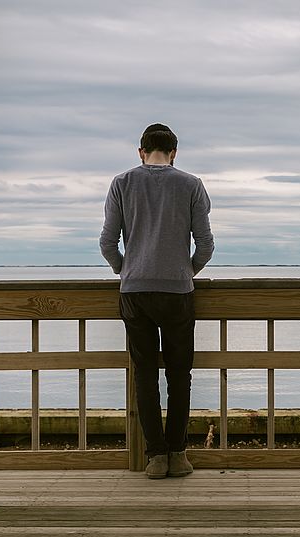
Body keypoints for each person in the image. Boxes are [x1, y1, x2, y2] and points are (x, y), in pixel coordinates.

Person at [100, 123, 214, 479]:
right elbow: (206, 245)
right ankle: (179, 454)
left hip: (135, 292)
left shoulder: (122, 183)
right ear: (175, 153)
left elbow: (107, 242)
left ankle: (155, 458)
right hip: (177, 291)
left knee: (145, 375)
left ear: (141, 151)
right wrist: (186, 270)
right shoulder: (191, 184)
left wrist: (127, 270)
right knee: (180, 375)